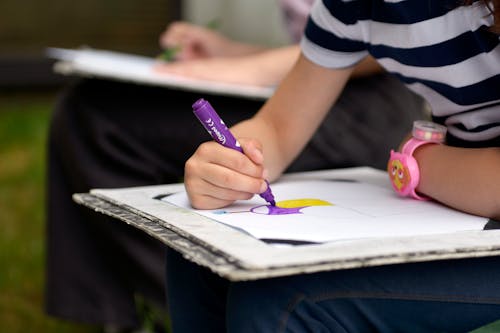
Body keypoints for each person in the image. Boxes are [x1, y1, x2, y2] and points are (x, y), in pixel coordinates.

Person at [45, 0, 424, 331]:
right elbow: (326, 44)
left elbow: (382, 31)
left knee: (95, 116)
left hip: (367, 106)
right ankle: (151, 307)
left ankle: (165, 306)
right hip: (306, 93)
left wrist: (250, 69)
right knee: (89, 111)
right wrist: (235, 54)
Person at [168, 0, 500, 332]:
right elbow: (278, 128)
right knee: (203, 256)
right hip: (463, 206)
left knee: (283, 301)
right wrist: (227, 167)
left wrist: (417, 161)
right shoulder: (353, 8)